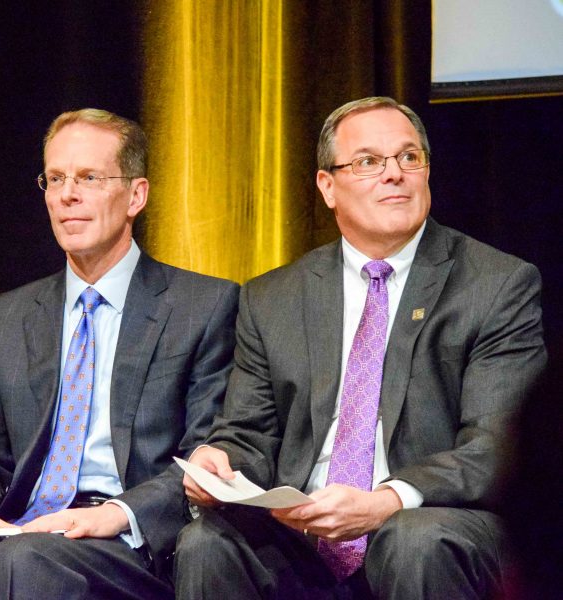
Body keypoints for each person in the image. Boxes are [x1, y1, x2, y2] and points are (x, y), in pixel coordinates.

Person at [175, 96, 546, 599]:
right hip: (305, 528)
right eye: (369, 162)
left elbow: (497, 445)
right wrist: (219, 460)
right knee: (207, 542)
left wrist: (388, 499)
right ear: (328, 186)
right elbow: (249, 433)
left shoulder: (496, 284)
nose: (395, 174)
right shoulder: (273, 298)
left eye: (409, 157)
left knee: (411, 538)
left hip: (433, 524)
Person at [0, 109, 239, 600]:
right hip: (21, 525)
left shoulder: (203, 305)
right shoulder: (5, 316)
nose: (67, 194)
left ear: (136, 195)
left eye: (89, 178)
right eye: (55, 179)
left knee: (28, 559)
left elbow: (207, 453)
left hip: (128, 540)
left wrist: (115, 514)